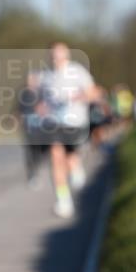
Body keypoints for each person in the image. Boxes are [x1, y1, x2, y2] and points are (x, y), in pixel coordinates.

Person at [31, 41, 97, 219]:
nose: (57, 57)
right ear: (50, 56)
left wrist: (78, 96)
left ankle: (76, 168)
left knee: (70, 158)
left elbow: (93, 93)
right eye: (53, 54)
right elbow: (40, 100)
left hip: (75, 122)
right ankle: (63, 200)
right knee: (55, 156)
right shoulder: (45, 76)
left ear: (67, 55)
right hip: (54, 124)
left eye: (60, 53)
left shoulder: (78, 71)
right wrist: (40, 107)